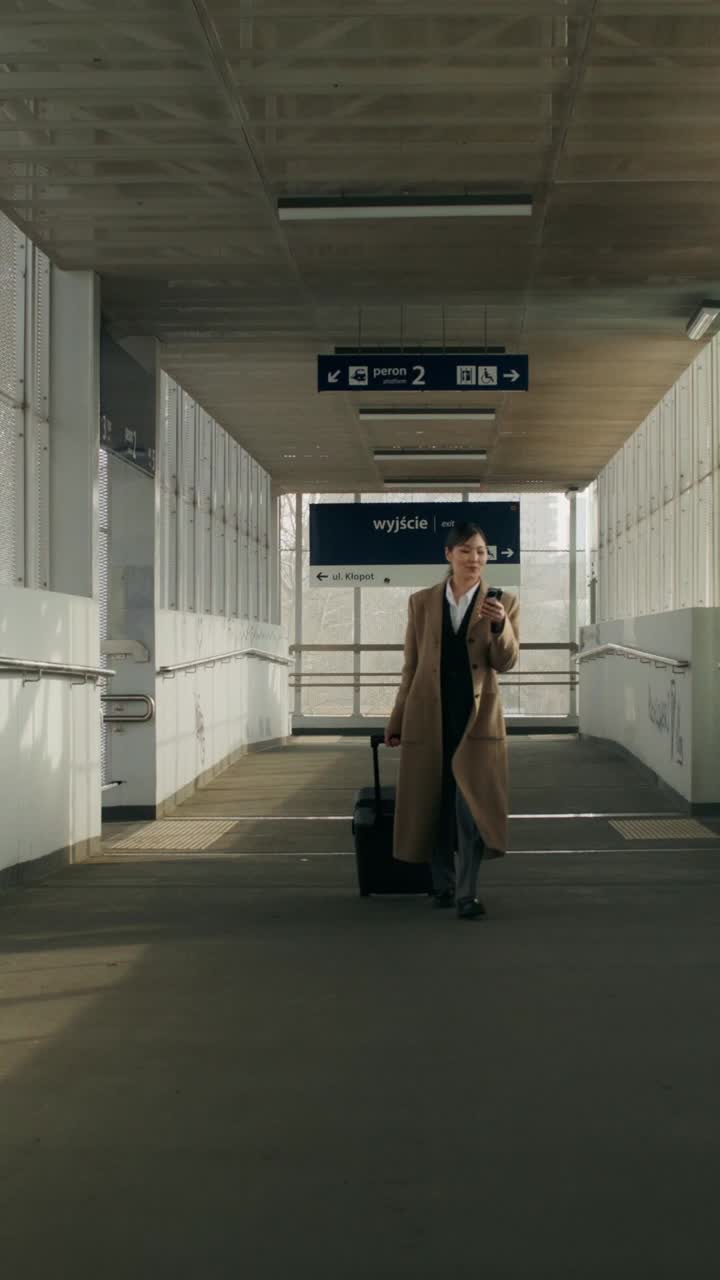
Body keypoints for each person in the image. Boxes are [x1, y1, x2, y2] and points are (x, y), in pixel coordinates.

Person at [384, 522, 519, 920]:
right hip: (428, 717)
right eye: (465, 551)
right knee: (434, 801)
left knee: (470, 807)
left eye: (480, 551)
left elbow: (505, 662)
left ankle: (467, 893)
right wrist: (397, 719)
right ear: (448, 556)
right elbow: (411, 666)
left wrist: (499, 626)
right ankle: (441, 884)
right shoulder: (422, 603)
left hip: (476, 719)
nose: (474, 559)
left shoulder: (504, 602)